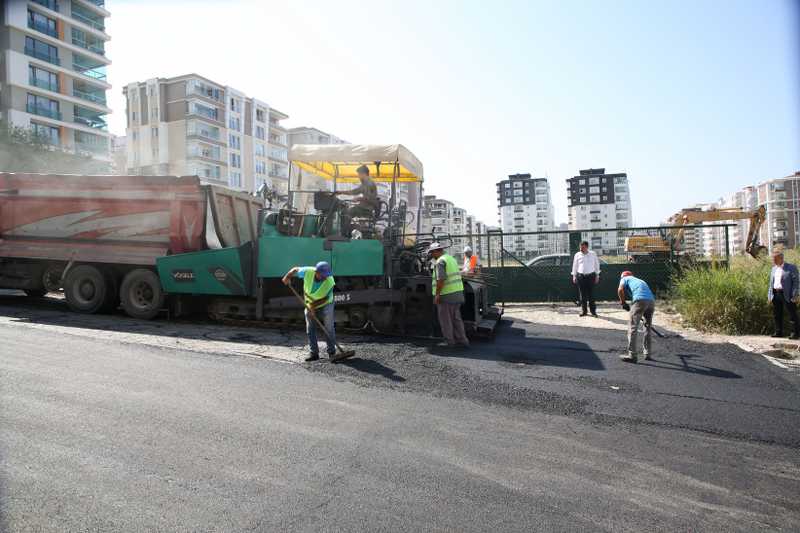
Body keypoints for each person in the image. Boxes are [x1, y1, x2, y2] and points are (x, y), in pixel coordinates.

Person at [282, 261, 336, 362]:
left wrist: (312, 307)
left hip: (326, 303)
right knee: (310, 327)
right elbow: (295, 269)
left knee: (328, 326)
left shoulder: (330, 281)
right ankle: (314, 353)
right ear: (317, 272)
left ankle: (332, 352)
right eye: (323, 275)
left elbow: (325, 299)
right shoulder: (308, 272)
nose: (325, 278)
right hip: (310, 303)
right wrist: (287, 276)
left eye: (326, 276)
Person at [428, 242, 470, 348]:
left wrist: (437, 295)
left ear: (437, 251)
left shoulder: (440, 262)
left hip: (446, 296)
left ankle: (449, 342)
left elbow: (441, 279)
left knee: (446, 320)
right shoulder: (451, 259)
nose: (432, 255)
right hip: (458, 294)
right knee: (456, 319)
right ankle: (463, 340)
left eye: (432, 253)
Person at [618, 271, 656, 363]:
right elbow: (637, 295)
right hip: (651, 302)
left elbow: (620, 290)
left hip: (640, 300)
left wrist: (623, 303)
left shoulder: (624, 279)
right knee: (647, 328)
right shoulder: (639, 280)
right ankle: (647, 353)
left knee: (632, 327)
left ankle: (632, 355)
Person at [768, 249, 800, 339]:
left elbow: (796, 282)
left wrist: (795, 295)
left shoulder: (791, 267)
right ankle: (778, 332)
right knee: (777, 314)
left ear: (781, 258)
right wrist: (770, 295)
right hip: (776, 294)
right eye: (773, 258)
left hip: (787, 294)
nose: (773, 260)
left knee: (792, 314)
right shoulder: (773, 269)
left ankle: (795, 333)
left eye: (775, 258)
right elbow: (771, 283)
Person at [571, 241, 601, 317]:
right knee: (582, 295)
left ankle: (593, 312)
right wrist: (574, 276)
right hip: (580, 276)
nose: (581, 249)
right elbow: (575, 265)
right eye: (580, 247)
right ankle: (584, 311)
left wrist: (597, 275)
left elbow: (596, 264)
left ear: (587, 247)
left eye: (583, 247)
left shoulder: (593, 254)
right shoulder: (577, 255)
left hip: (591, 276)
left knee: (591, 295)